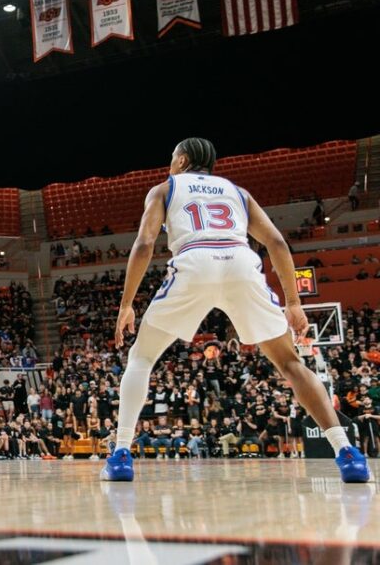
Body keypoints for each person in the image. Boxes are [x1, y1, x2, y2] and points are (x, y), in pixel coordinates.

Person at [102, 138, 369, 483]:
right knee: (290, 363)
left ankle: (121, 454)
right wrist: (293, 302)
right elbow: (275, 242)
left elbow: (144, 244)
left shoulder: (164, 188)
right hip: (241, 262)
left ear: (181, 160)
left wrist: (126, 305)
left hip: (195, 261)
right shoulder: (238, 192)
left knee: (141, 358)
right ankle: (346, 452)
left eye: (172, 158)